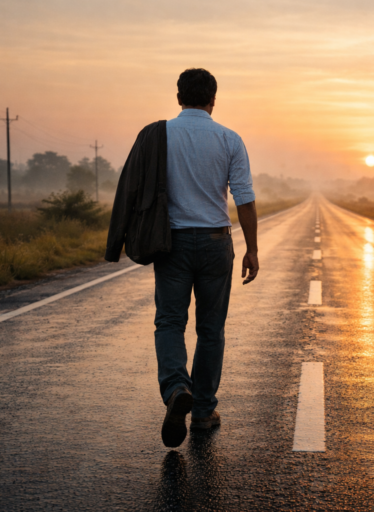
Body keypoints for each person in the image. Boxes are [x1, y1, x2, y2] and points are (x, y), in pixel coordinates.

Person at [110, 68, 259, 448]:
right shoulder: (229, 139)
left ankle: (177, 388)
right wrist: (252, 249)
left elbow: (131, 185)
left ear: (179, 97)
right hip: (215, 243)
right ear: (213, 99)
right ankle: (204, 411)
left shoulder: (158, 135)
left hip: (171, 244)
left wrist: (120, 237)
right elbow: (243, 198)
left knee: (170, 323)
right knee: (211, 329)